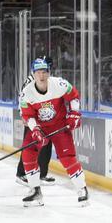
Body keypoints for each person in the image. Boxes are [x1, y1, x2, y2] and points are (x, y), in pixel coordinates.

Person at [20, 58, 88, 207]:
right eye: (38, 72)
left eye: (44, 72)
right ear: (33, 74)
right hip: (41, 127)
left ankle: (82, 189)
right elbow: (27, 115)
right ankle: (35, 191)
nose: (42, 76)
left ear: (49, 73)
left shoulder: (59, 84)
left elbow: (73, 96)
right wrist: (36, 130)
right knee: (28, 152)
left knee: (67, 157)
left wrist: (75, 113)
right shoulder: (27, 93)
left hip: (59, 126)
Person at [15, 55, 55, 187]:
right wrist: (24, 115)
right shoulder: (31, 81)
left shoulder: (46, 81)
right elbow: (22, 99)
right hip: (32, 118)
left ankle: (42, 174)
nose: (47, 71)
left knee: (47, 144)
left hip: (45, 118)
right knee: (30, 146)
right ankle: (21, 174)